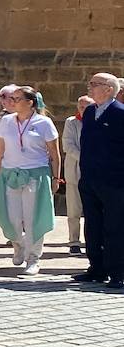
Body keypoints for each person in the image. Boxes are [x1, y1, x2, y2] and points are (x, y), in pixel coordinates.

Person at [0, 86, 60, 275]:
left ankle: (33, 258)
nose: (12, 102)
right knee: (12, 216)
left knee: (33, 217)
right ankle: (18, 244)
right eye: (11, 98)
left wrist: (56, 177)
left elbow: (54, 153)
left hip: (35, 174)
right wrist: (0, 173)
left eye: (17, 98)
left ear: (30, 102)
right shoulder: (6, 121)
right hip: (10, 174)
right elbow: (0, 149)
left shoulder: (44, 123)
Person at [74, 73, 124, 288]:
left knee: (114, 227)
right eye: (90, 83)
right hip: (90, 180)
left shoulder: (120, 113)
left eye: (95, 84)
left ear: (109, 89)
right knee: (92, 225)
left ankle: (117, 271)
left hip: (114, 182)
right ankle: (96, 268)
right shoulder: (90, 112)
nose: (90, 87)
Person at [63, 95, 91, 255]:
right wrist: (86, 158)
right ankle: (74, 241)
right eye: (80, 106)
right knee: (74, 209)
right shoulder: (71, 122)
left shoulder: (97, 121)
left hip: (94, 171)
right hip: (75, 170)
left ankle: (92, 240)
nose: (82, 109)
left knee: (93, 210)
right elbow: (68, 145)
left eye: (86, 106)